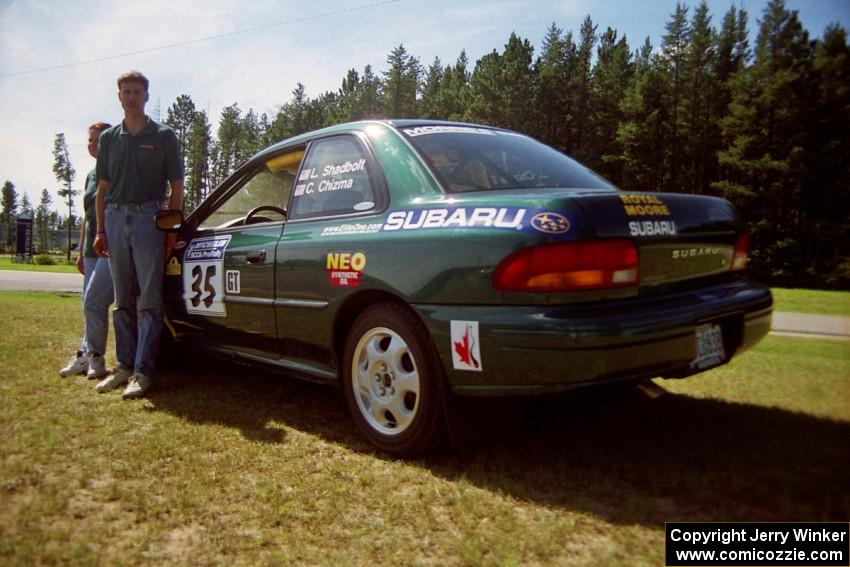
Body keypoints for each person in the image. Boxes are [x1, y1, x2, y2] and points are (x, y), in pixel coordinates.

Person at [93, 70, 184, 399]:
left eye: (137, 92)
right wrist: (101, 228)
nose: (132, 97)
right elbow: (102, 189)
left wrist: (171, 228)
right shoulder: (109, 139)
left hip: (149, 218)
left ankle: (143, 371)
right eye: (126, 91)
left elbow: (176, 187)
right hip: (116, 218)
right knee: (122, 300)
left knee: (148, 299)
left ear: (146, 96)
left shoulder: (164, 135)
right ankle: (124, 366)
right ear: (119, 96)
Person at [58, 121, 115, 379]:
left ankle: (95, 358)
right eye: (90, 140)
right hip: (91, 248)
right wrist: (81, 250)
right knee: (87, 305)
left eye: (97, 140)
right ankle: (84, 355)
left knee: (95, 300)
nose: (92, 145)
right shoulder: (92, 175)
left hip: (110, 247)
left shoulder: (116, 170)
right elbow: (87, 216)